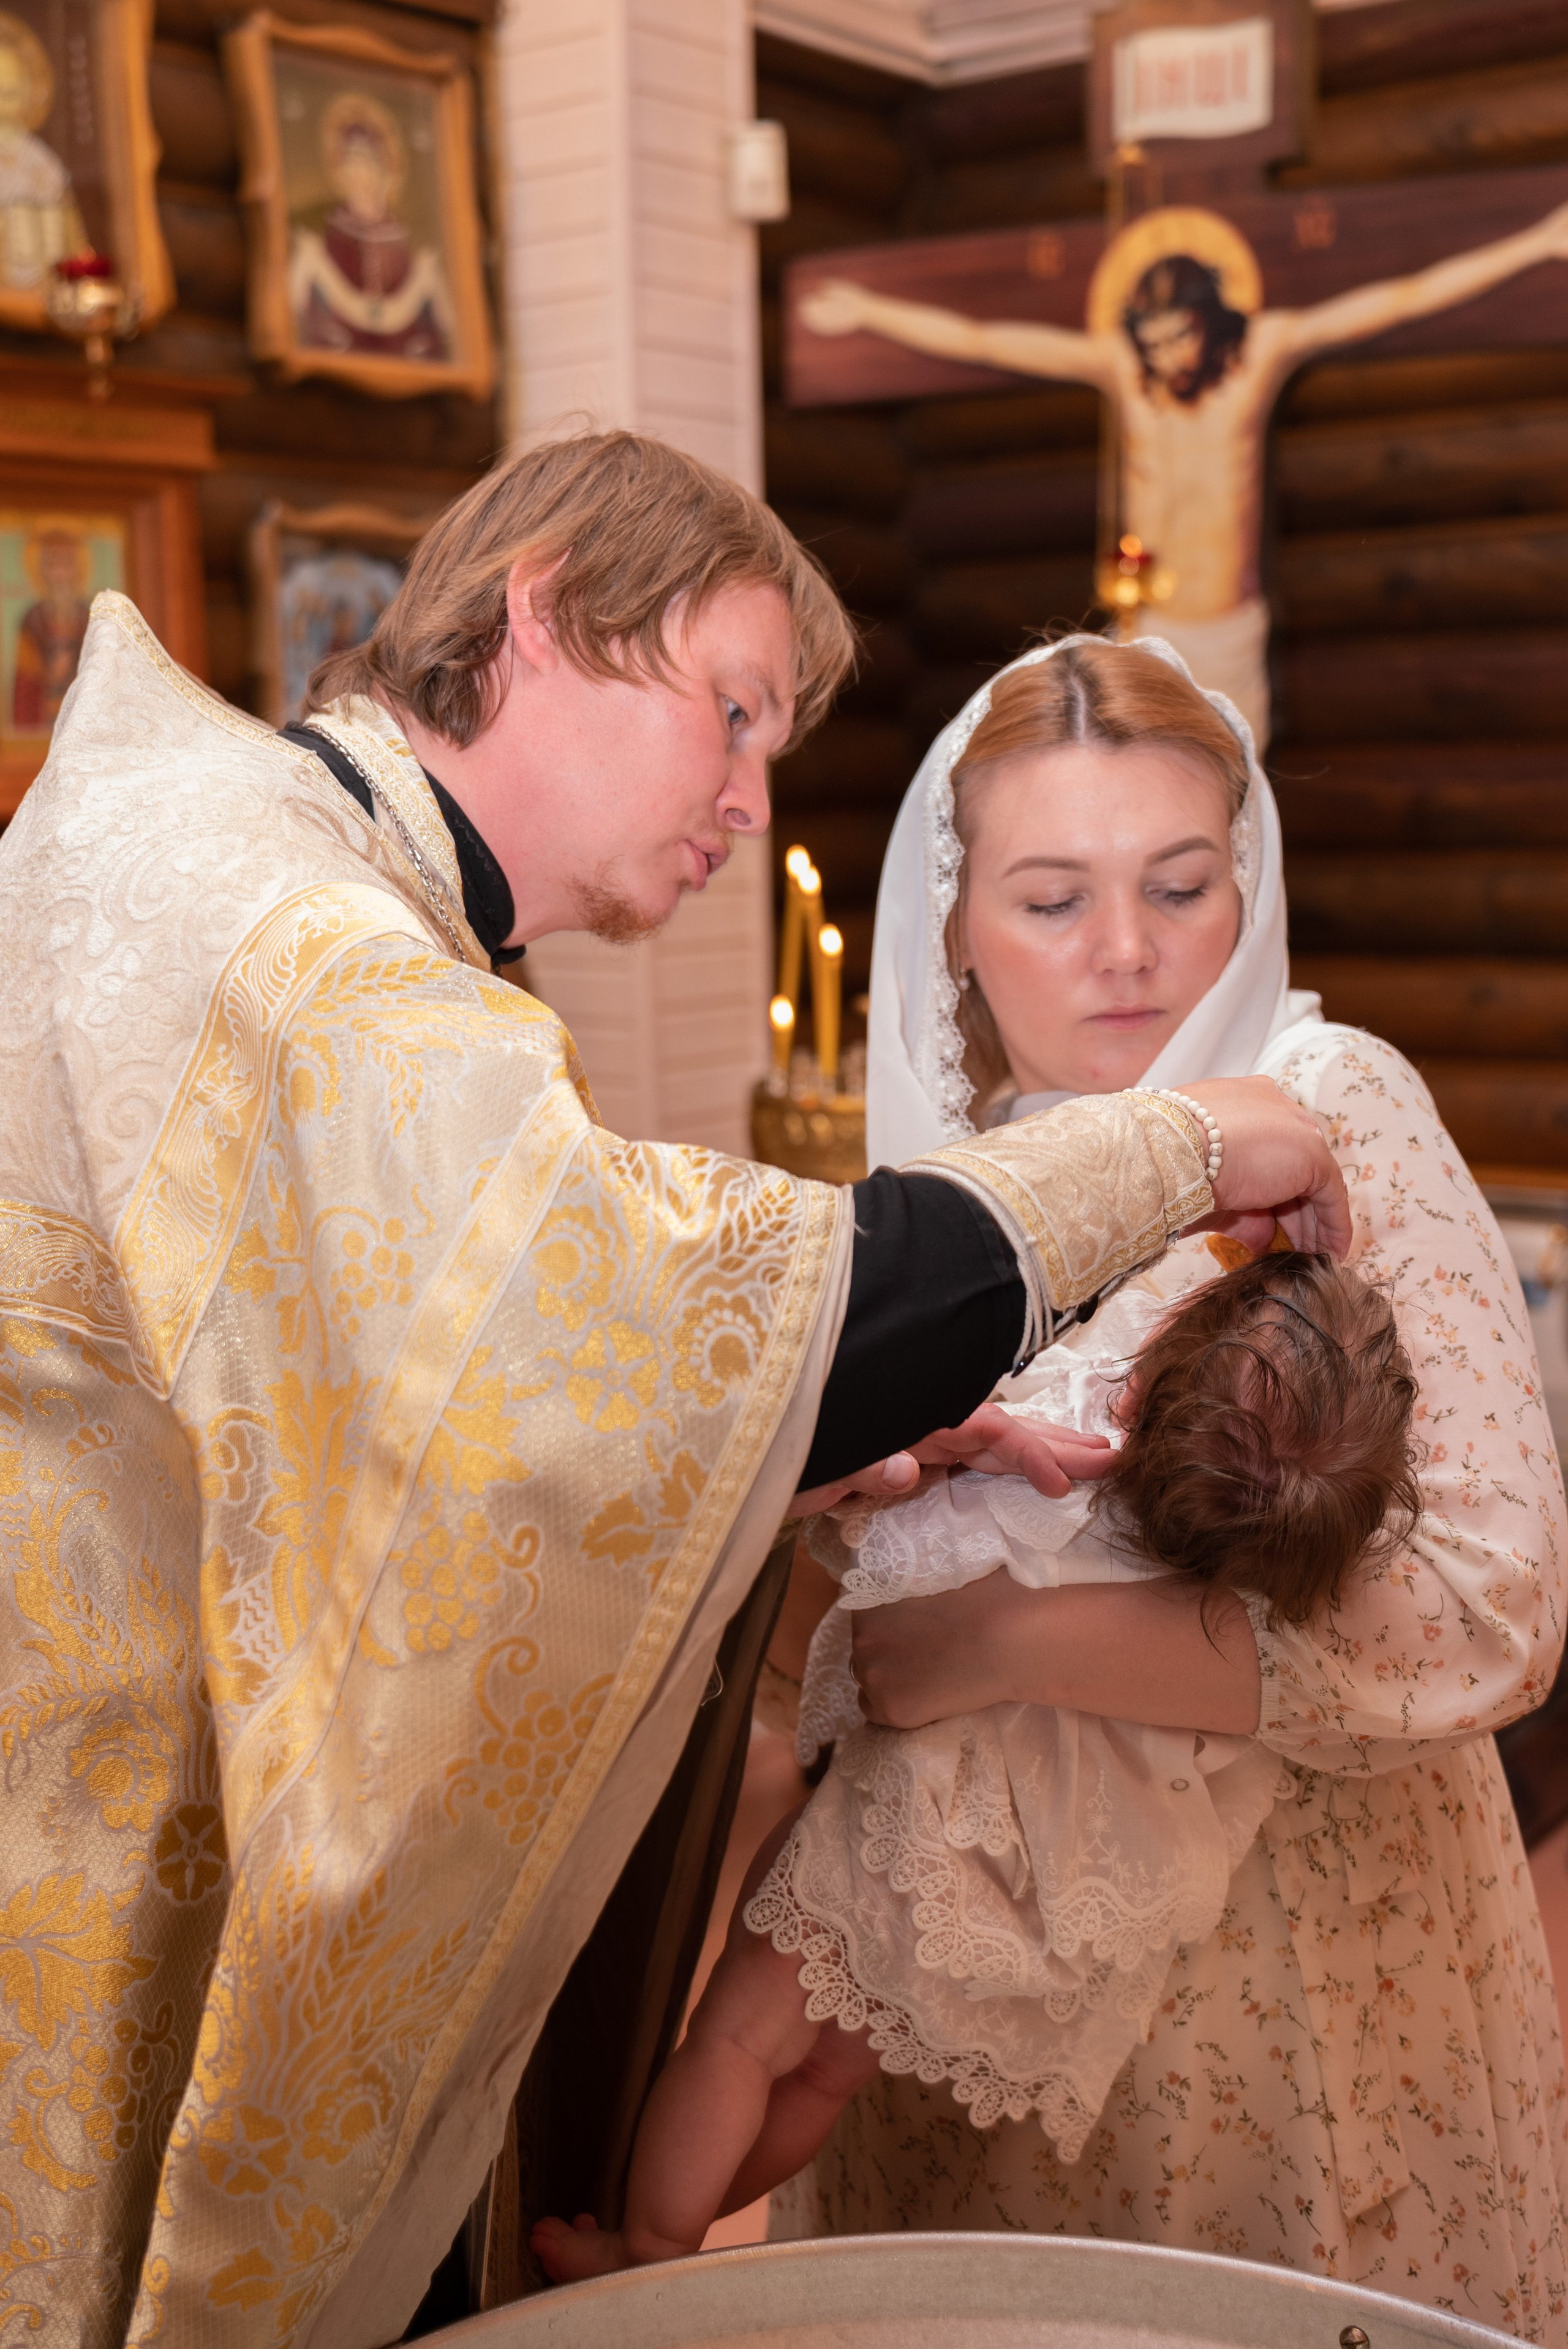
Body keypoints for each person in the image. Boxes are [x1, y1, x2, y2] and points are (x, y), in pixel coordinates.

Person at [0, 434, 1346, 2349]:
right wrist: (1183, 1144)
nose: (745, 798)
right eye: (725, 712)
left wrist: (782, 1455)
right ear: (542, 612)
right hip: (108, 1852)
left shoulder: (267, 865)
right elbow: (645, 1312)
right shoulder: (298, 937)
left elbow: (439, 1430)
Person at [756, 632, 1568, 2340]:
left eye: (1180, 884)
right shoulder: (945, 1210)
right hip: (955, 1992)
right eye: (1052, 899)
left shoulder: (1326, 1105)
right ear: (956, 934)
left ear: (1247, 882)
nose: (1127, 952)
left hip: (1296, 1983)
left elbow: (1496, 1606)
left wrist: (1009, 1639)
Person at [531, 1246, 1422, 2279]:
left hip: (914, 1829)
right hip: (1016, 1902)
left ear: (1141, 1387)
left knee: (738, 2035)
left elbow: (896, 1558)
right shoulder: (1217, 1609)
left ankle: (646, 2253)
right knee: (819, 2076)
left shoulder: (1059, 1459)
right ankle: (675, 2244)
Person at [799, 198, 1568, 747]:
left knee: (1235, 827)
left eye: (1181, 337)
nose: (1167, 356)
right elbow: (986, 339)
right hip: (1146, 628)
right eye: (1154, 341)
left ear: (1211, 320)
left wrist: (1534, 244)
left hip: (1228, 631)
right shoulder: (1122, 370)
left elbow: (1397, 299)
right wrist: (869, 310)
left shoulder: (1261, 354)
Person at [288, 89, 453, 362]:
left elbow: (442, 325)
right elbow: (296, 306)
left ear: (384, 171)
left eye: (366, 164)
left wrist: (426, 281)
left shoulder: (404, 245)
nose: (357, 175)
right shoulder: (327, 238)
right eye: (350, 164)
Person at [0, 15, 88, 293]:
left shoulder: (41, 161)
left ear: (29, 92)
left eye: (10, 93)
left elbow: (68, 226)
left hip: (41, 280)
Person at [11, 523, 91, 728]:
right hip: (43, 720)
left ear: (78, 570)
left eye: (66, 564)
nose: (60, 575)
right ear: (42, 570)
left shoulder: (90, 618)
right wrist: (49, 676)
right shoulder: (33, 621)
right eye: (53, 565)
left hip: (85, 720)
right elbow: (25, 684)